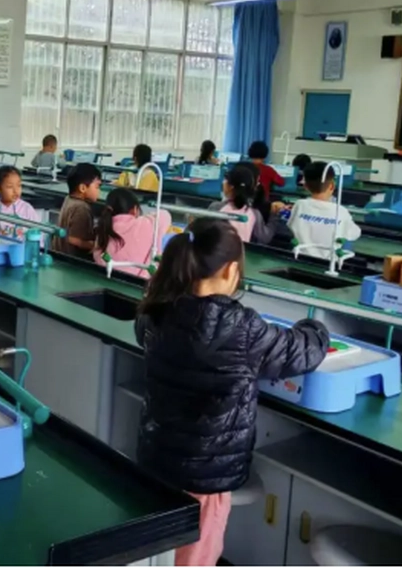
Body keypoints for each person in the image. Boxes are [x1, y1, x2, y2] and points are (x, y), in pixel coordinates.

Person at [137, 218, 329, 566]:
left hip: (157, 460)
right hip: (206, 478)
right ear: (230, 270)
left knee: (158, 554)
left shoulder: (156, 310)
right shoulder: (241, 327)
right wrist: (315, 327)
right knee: (196, 558)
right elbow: (301, 352)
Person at [287, 161, 362, 259]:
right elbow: (355, 233)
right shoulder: (341, 211)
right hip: (329, 263)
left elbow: (290, 225)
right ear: (332, 186)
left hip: (300, 259)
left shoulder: (299, 205)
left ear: (305, 186)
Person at [93, 187, 171, 275]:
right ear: (135, 210)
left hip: (105, 280)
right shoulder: (145, 223)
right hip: (139, 282)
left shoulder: (102, 230)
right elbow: (166, 215)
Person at [207, 163, 278, 245]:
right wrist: (274, 216)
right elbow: (264, 237)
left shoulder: (216, 207)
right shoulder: (254, 213)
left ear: (230, 187)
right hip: (241, 252)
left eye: (225, 180)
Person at [0, 166, 40, 240]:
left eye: (19, 185)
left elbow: (38, 235)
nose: (16, 190)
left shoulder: (27, 209)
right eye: (10, 186)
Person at [51, 163, 101, 257]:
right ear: (83, 188)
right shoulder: (82, 208)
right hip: (72, 259)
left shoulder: (68, 199)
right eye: (97, 187)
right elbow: (73, 239)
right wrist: (96, 246)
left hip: (59, 254)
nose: (99, 191)